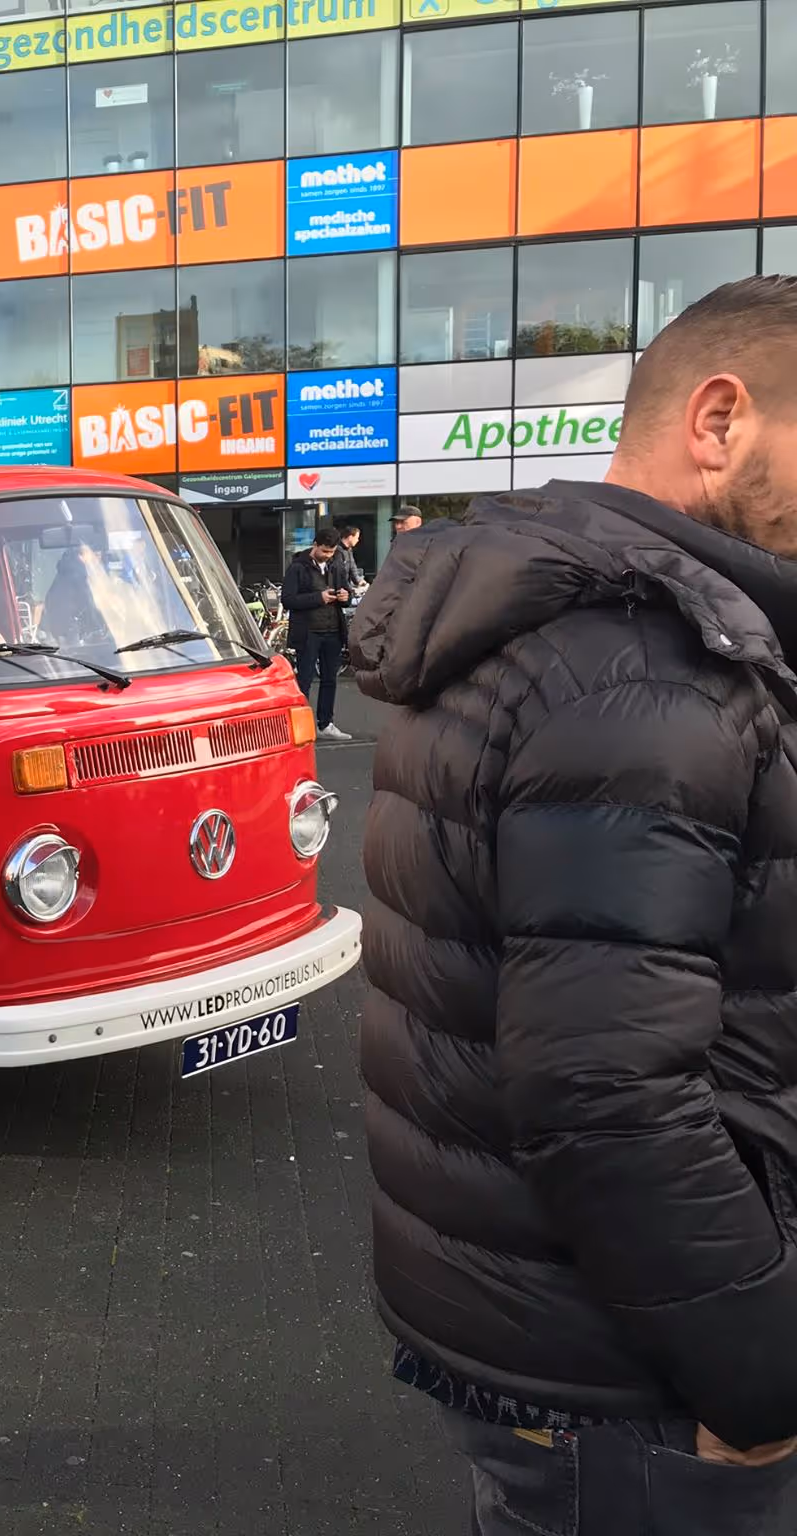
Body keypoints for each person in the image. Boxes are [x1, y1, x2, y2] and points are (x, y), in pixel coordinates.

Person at [352, 275, 797, 1534]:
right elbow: (604, 1091)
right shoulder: (642, 669)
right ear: (718, 421)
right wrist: (756, 1373)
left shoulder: (545, 627)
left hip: (538, 1327)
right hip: (635, 1380)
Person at [281, 526, 351, 742]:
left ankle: (325, 723)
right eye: (324, 551)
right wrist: (318, 598)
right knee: (304, 680)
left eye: (331, 552)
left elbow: (346, 594)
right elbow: (288, 600)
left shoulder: (337, 564)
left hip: (332, 629)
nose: (328, 556)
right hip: (308, 632)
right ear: (315, 545)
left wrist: (344, 596)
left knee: (330, 679)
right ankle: (299, 726)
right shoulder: (297, 568)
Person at [332, 522, 368, 592]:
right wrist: (350, 589)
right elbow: (339, 574)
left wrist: (358, 581)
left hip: (346, 587)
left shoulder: (349, 549)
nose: (358, 540)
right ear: (350, 537)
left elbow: (352, 566)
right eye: (357, 538)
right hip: (340, 589)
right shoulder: (338, 551)